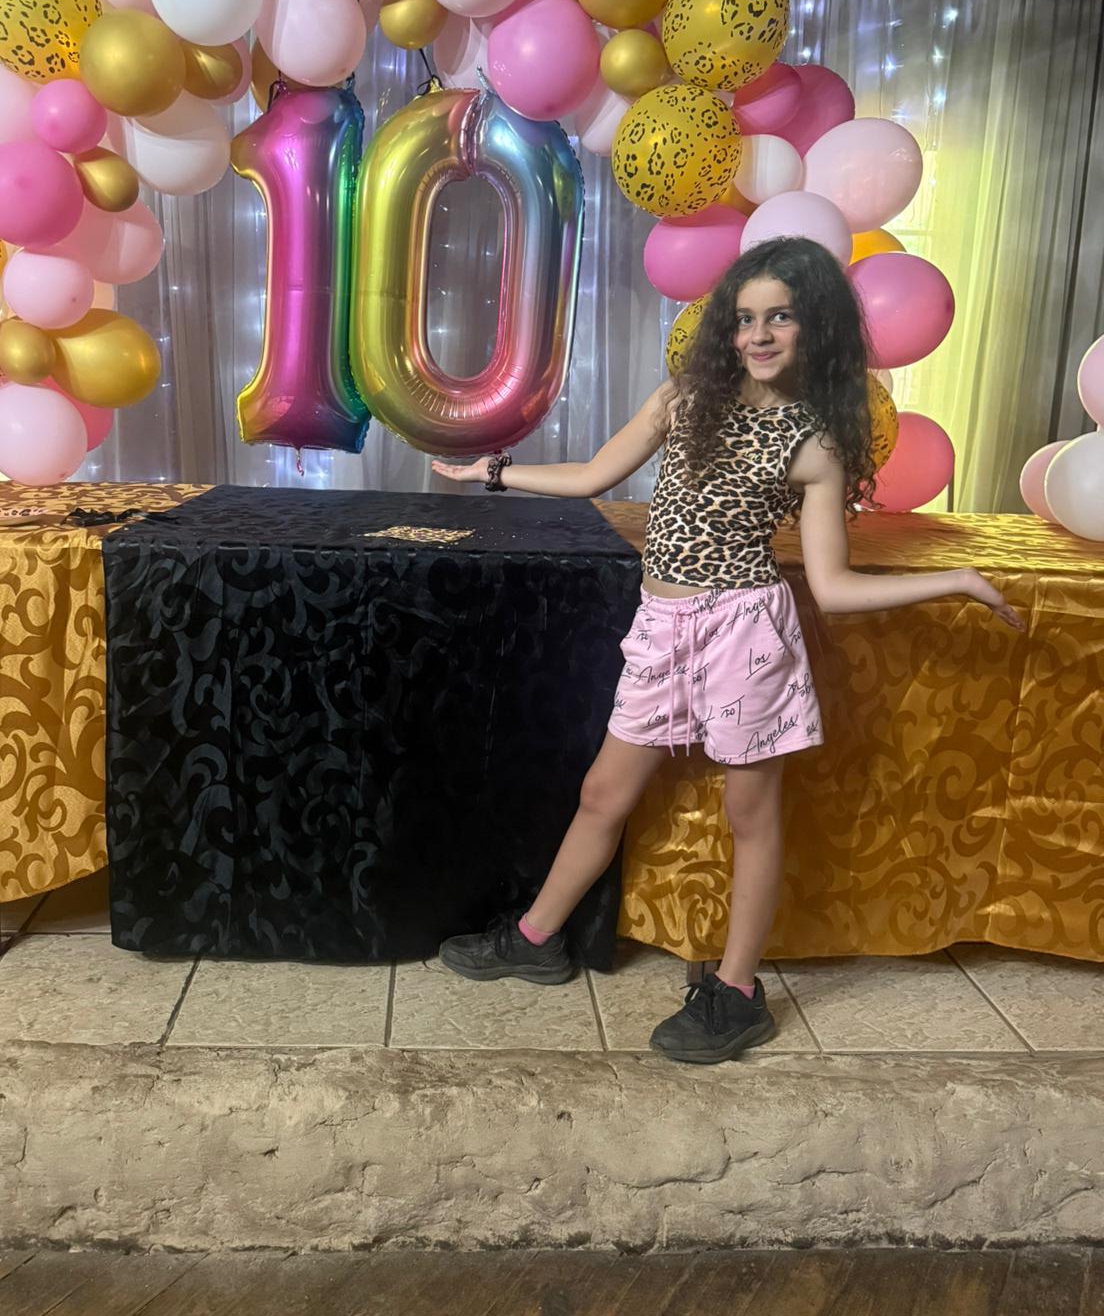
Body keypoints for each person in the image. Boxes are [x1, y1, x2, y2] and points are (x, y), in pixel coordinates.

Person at [432, 237, 1022, 1066]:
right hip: (664, 626)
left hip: (746, 634)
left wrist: (956, 577)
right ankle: (536, 939)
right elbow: (595, 475)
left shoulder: (814, 442)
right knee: (605, 788)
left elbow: (836, 585)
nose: (761, 334)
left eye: (780, 315)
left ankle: (738, 992)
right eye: (746, 318)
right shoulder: (684, 400)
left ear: (813, 326)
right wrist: (491, 471)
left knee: (750, 814)